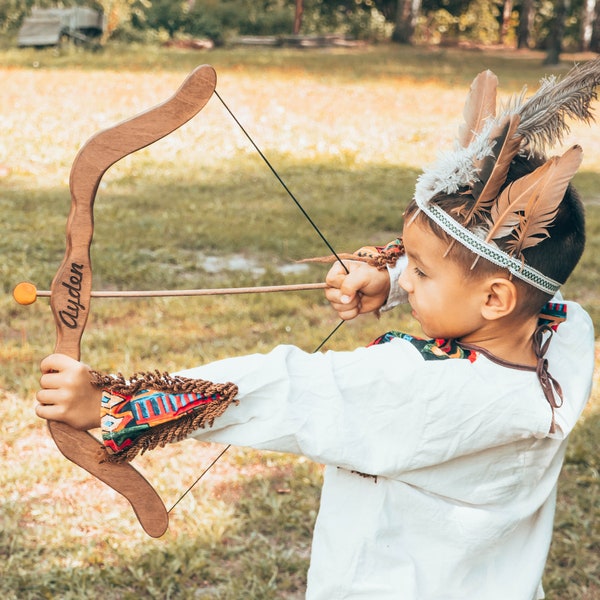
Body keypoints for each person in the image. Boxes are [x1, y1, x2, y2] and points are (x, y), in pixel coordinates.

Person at [35, 63, 598, 600]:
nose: (409, 275)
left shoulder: (415, 388)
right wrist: (395, 281)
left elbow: (286, 387)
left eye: (422, 272)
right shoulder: (566, 336)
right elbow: (504, 291)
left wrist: (111, 404)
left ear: (494, 298)